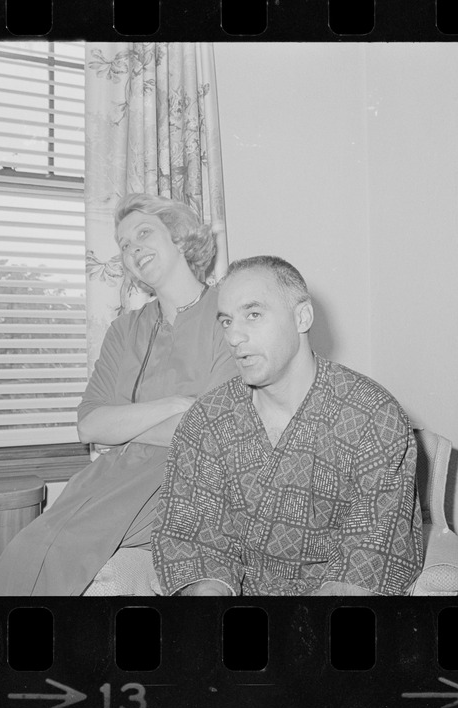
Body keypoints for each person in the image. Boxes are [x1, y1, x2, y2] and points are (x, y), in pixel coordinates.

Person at [0, 193, 238, 595]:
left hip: (186, 477)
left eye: (143, 233)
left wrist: (121, 425)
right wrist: (172, 406)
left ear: (179, 237)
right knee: (28, 545)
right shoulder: (125, 330)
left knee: (59, 550)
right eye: (124, 245)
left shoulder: (228, 313)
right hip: (111, 475)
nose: (133, 248)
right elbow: (89, 425)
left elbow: (209, 429)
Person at [151, 255, 424, 596]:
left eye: (253, 314)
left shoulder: (371, 415)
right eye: (226, 322)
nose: (234, 336)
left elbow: (372, 550)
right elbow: (190, 536)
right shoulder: (207, 419)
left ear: (302, 317)